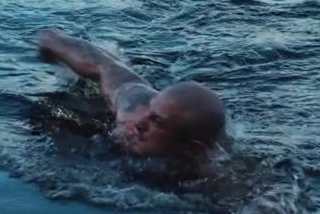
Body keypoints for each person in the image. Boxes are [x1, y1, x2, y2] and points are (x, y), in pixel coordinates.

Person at [33, 28, 227, 164]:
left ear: (192, 149)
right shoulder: (136, 106)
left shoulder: (218, 181)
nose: (139, 123)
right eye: (150, 110)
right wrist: (51, 43)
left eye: (156, 122)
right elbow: (102, 64)